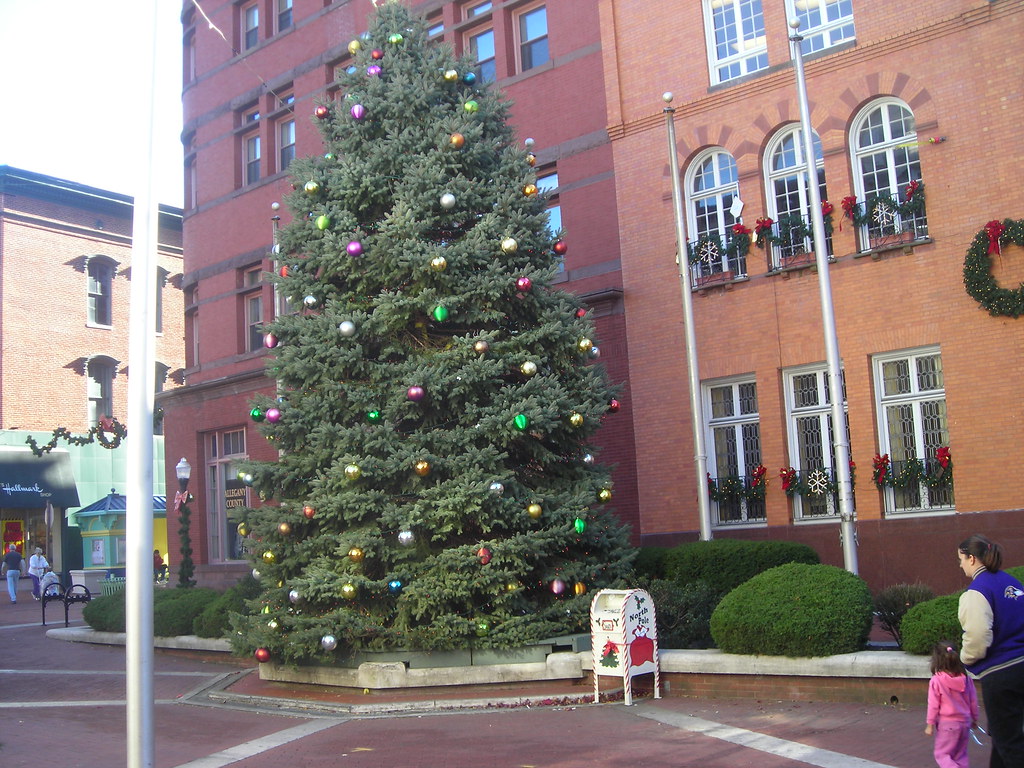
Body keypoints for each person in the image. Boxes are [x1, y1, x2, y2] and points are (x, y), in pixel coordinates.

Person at [957, 533, 1024, 768]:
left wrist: (965, 659)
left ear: (973, 558)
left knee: (1011, 743)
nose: (961, 565)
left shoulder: (977, 591)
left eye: (962, 559)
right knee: (1005, 736)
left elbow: (977, 637)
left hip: (1002, 674)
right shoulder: (1013, 583)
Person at [926, 641, 978, 768]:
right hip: (964, 723)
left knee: (942, 754)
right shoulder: (967, 679)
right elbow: (973, 701)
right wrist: (975, 718)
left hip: (947, 724)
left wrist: (930, 724)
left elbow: (933, 704)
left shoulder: (937, 681)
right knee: (960, 755)